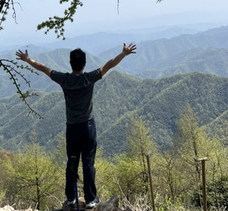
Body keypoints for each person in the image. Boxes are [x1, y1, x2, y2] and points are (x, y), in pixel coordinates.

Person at [16, 42, 137, 208]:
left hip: (72, 128)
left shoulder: (65, 79)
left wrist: (28, 59)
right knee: (88, 163)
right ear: (84, 64)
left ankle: (72, 197)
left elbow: (44, 68)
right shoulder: (89, 78)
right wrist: (123, 54)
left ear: (70, 63)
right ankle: (90, 200)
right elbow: (108, 65)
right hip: (87, 127)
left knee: (72, 161)